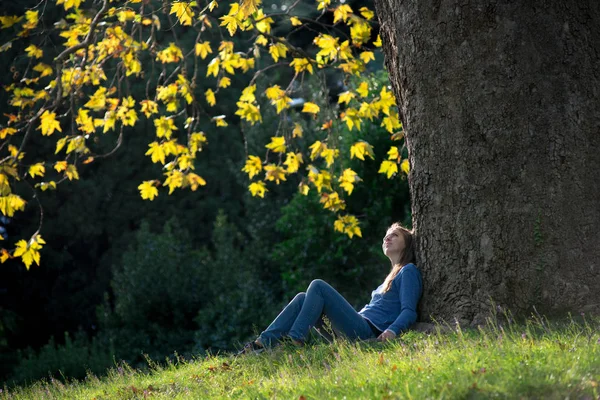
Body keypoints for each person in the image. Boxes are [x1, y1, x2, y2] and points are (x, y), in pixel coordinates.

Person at [239, 222, 422, 354]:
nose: (387, 237)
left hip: (366, 332)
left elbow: (409, 311)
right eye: (386, 235)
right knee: (303, 298)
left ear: (407, 244)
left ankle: (295, 339)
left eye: (395, 235)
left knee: (318, 286)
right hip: (352, 329)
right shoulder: (387, 279)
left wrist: (392, 331)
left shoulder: (408, 271)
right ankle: (261, 343)